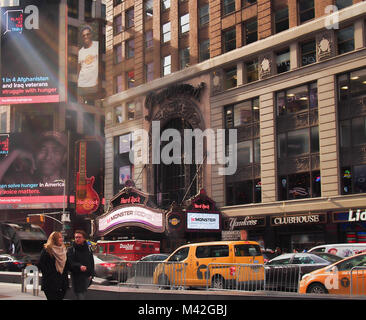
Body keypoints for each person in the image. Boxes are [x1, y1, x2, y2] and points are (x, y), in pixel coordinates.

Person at [38, 231, 69, 300]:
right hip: (50, 283)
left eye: (61, 237)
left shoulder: (64, 250)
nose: (61, 239)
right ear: (54, 239)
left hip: (62, 282)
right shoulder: (47, 250)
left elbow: (67, 265)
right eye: (59, 237)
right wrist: (49, 274)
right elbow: (41, 264)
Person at [67, 230, 95, 300]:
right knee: (79, 293)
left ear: (84, 238)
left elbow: (91, 262)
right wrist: (79, 266)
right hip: (76, 276)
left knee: (82, 293)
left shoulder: (88, 249)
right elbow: (70, 262)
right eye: (76, 237)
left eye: (79, 237)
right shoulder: (71, 249)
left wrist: (91, 274)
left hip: (86, 276)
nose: (77, 239)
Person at [77, 25, 99, 98]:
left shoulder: (97, 45)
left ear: (91, 35)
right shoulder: (80, 52)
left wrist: (99, 79)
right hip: (82, 84)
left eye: (87, 34)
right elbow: (79, 68)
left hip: (94, 83)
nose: (86, 36)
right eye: (83, 35)